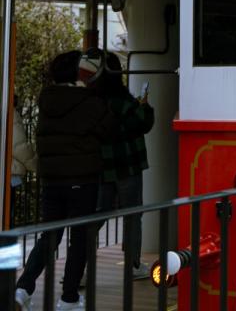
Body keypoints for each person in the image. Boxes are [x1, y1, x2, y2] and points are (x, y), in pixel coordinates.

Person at [15, 51, 117, 311]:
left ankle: (23, 289)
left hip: (52, 179)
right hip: (82, 179)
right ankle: (68, 297)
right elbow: (110, 129)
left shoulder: (47, 100)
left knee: (49, 236)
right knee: (79, 238)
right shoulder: (89, 100)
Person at [94, 52, 154, 280]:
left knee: (95, 215)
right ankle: (133, 265)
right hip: (128, 164)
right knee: (133, 215)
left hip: (101, 165)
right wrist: (145, 105)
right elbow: (142, 123)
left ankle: (77, 266)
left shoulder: (93, 100)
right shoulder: (124, 101)